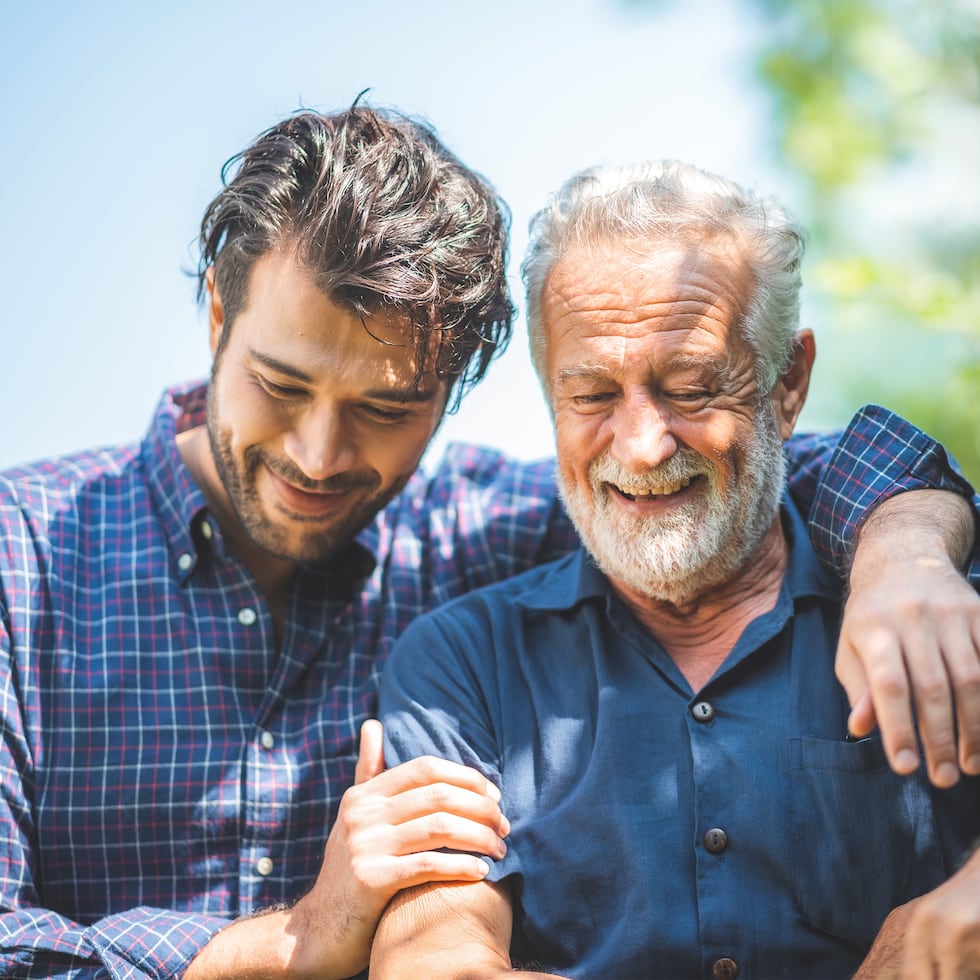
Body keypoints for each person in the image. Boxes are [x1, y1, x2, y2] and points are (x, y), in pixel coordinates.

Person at [0, 106, 974, 980]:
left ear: (454, 389)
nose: (317, 451)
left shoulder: (489, 526)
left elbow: (763, 471)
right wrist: (285, 942)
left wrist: (903, 551)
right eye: (281, 383)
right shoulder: (21, 556)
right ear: (218, 313)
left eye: (384, 405)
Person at [373, 158, 980, 979]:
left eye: (691, 388)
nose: (642, 446)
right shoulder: (464, 661)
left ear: (787, 383)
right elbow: (434, 960)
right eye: (590, 395)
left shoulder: (925, 606)